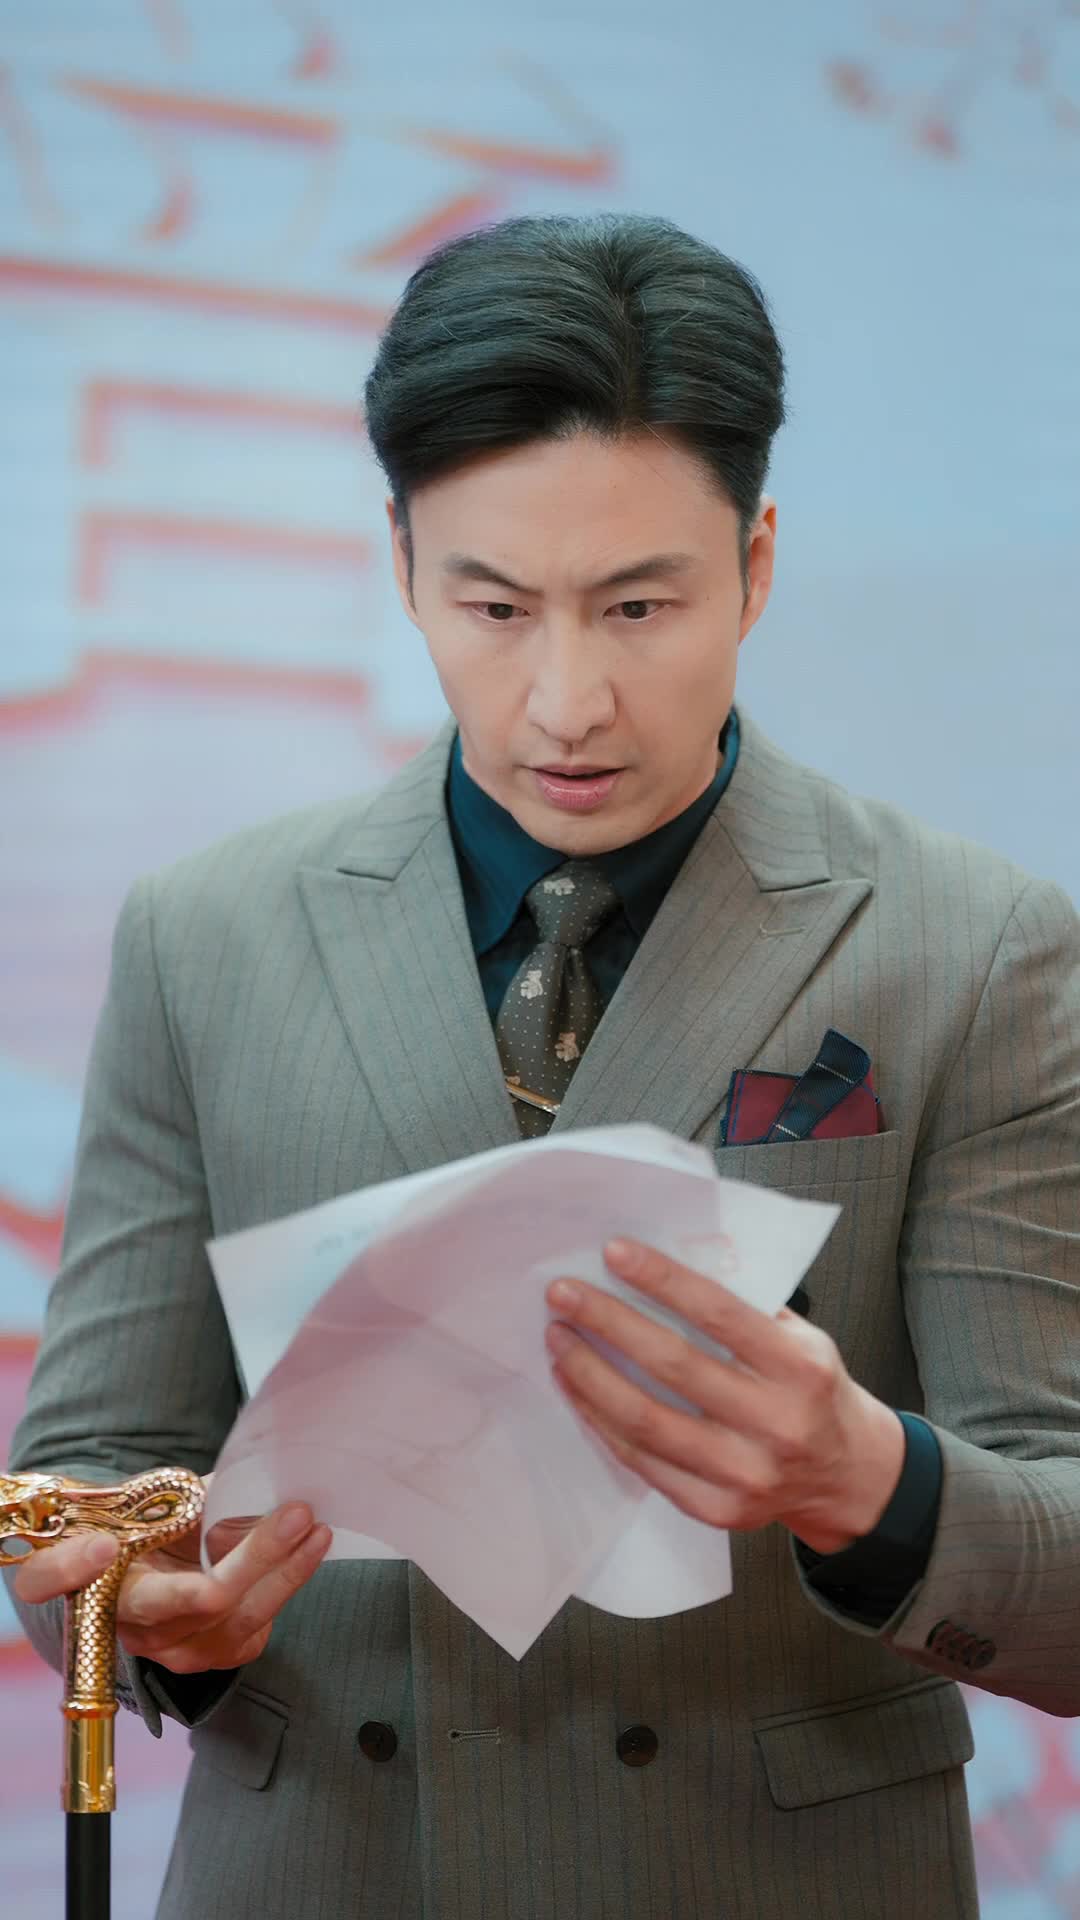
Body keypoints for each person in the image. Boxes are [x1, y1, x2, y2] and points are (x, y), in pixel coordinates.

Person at [7, 212, 1080, 1920]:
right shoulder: (206, 935)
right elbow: (83, 1469)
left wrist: (866, 1480)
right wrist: (130, 1605)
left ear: (759, 564)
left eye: (639, 605)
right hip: (332, 1868)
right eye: (493, 607)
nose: (564, 702)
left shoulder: (974, 945)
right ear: (400, 563)